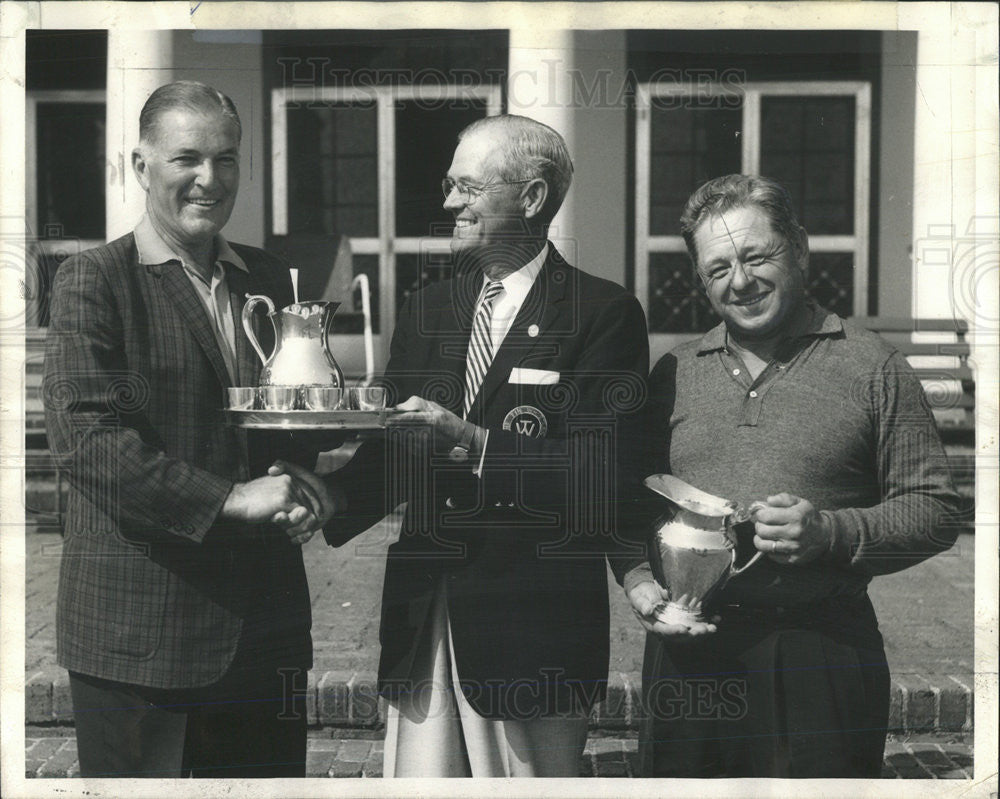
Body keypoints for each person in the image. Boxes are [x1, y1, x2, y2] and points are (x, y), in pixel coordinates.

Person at [285, 114, 649, 777]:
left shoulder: (603, 314)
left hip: (532, 627)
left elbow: (603, 475)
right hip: (427, 617)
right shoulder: (430, 308)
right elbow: (395, 449)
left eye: (466, 187)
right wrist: (330, 496)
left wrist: (474, 441)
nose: (449, 202)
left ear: (532, 197)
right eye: (450, 186)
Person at [620, 174, 962, 778]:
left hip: (819, 651)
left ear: (798, 248)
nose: (741, 281)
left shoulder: (872, 365)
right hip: (687, 658)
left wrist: (829, 532)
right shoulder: (674, 371)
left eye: (756, 256)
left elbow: (935, 509)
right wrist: (638, 581)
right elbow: (628, 504)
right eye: (718, 268)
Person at [43, 81, 329, 778]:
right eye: (187, 159)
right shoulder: (94, 281)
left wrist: (303, 478)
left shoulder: (264, 274)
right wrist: (233, 498)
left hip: (264, 634)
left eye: (227, 159)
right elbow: (88, 445)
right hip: (140, 637)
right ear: (141, 167)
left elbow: (288, 416)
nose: (210, 179)